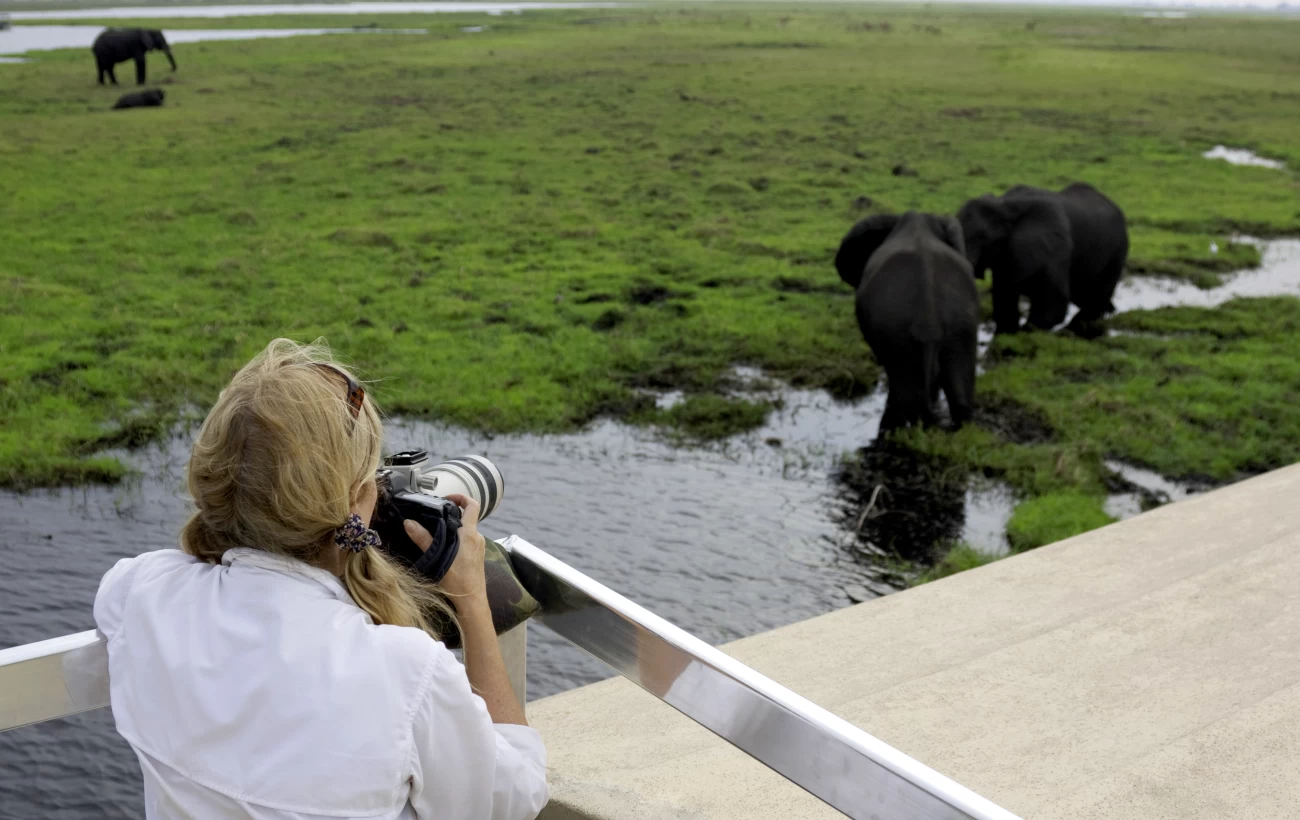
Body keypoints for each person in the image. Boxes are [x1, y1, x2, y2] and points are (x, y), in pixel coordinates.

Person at [93, 339, 548, 820]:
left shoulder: (142, 592)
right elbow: (518, 795)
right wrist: (471, 597)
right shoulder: (407, 671)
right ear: (359, 498)